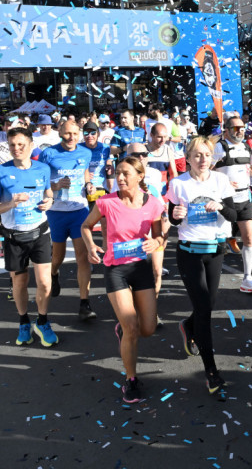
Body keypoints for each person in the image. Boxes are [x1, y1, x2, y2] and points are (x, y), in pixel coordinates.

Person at [81, 156, 165, 403]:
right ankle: (131, 380)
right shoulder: (107, 201)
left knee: (147, 329)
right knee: (132, 327)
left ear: (140, 177)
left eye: (126, 173)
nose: (120, 178)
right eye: (118, 173)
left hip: (140, 267)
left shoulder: (153, 204)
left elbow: (161, 236)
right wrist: (90, 246)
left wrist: (155, 242)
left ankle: (123, 329)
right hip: (115, 269)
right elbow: (86, 226)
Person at [166, 136, 238, 395]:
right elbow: (173, 219)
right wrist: (175, 216)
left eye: (206, 154)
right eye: (197, 155)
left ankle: (188, 325)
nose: (202, 160)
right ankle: (211, 371)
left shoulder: (220, 181)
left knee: (208, 304)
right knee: (205, 310)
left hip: (216, 250)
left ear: (212, 157)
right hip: (189, 253)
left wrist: (220, 207)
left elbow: (234, 216)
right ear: (188, 159)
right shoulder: (178, 184)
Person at [0, 127, 57, 346]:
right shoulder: (0, 172)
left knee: (45, 282)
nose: (16, 149)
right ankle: (24, 321)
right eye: (12, 145)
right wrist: (11, 203)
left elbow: (48, 192)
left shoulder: (43, 168)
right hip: (14, 237)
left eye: (21, 145)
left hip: (40, 232)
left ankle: (42, 322)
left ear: (31, 145)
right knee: (21, 282)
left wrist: (50, 201)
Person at [38, 121, 96, 321]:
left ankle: (84, 303)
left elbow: (85, 170)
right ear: (60, 133)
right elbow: (41, 180)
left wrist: (88, 184)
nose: (71, 137)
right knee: (58, 256)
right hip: (56, 212)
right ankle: (54, 273)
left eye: (74, 133)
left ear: (79, 133)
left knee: (83, 256)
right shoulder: (49, 154)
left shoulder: (85, 153)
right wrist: (55, 185)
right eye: (67, 134)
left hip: (79, 210)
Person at [213, 115, 252, 294]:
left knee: (249, 238)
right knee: (218, 242)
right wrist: (223, 182)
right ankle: (211, 279)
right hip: (225, 200)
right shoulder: (219, 147)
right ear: (226, 130)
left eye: (242, 128)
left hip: (244, 198)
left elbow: (245, 171)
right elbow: (205, 170)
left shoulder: (246, 147)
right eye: (235, 128)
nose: (240, 131)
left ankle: (248, 278)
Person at [82, 122, 113, 207]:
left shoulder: (105, 148)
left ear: (98, 134)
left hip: (101, 188)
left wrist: (109, 165)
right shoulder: (78, 148)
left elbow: (109, 162)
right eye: (86, 133)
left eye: (93, 133)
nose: (89, 136)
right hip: (83, 190)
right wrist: (83, 174)